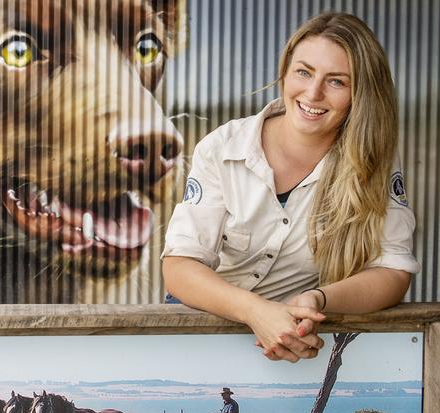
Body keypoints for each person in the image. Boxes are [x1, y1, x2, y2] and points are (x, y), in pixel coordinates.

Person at [162, 12, 420, 362]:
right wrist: (255, 311)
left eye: (337, 82)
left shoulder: (375, 163)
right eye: (304, 72)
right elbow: (180, 266)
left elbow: (392, 271)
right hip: (204, 320)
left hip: (295, 336)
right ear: (284, 72)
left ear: (361, 94)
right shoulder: (222, 147)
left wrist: (318, 299)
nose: (313, 93)